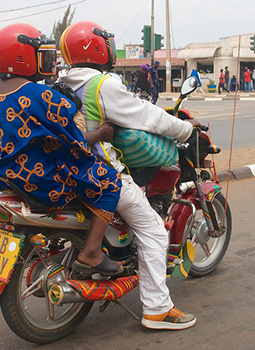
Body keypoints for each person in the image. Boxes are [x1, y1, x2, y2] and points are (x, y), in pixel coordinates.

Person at [58, 20, 198, 330]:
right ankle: (158, 310)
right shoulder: (102, 85)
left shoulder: (60, 81)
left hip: (65, 172)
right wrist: (184, 128)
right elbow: (147, 115)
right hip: (100, 173)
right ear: (97, 48)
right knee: (154, 231)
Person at [0, 23, 124, 276]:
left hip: (4, 176)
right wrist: (100, 134)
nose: (49, 63)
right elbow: (74, 139)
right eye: (43, 56)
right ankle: (91, 251)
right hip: (39, 180)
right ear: (22, 58)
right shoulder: (41, 94)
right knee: (109, 181)